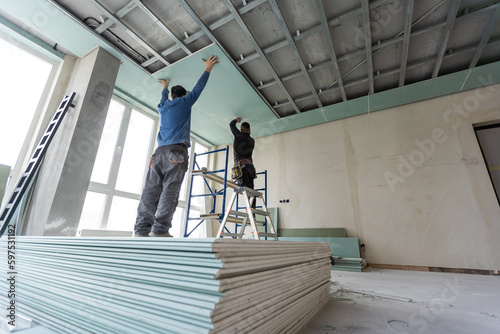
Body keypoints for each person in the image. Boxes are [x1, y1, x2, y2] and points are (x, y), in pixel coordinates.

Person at [134, 55, 219, 237]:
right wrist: (208, 68)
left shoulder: (162, 106)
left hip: (158, 154)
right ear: (182, 95)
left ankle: (141, 229)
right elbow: (199, 88)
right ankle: (159, 230)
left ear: (172, 95)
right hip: (176, 152)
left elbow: (163, 97)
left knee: (151, 189)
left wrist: (164, 87)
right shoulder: (184, 102)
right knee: (169, 190)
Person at [229, 117, 256, 189]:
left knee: (245, 189)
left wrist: (236, 120)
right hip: (250, 167)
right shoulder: (252, 141)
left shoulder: (238, 135)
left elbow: (231, 125)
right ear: (249, 130)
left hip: (241, 167)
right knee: (251, 190)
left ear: (241, 130)